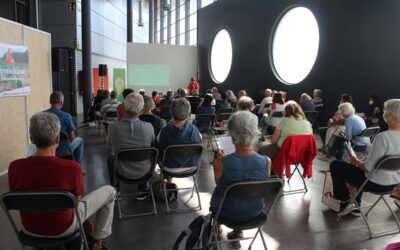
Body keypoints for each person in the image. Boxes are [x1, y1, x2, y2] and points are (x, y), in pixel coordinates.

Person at [9, 112, 116, 250]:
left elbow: (16, 199)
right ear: (57, 139)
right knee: (110, 191)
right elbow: (76, 202)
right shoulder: (72, 168)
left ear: (32, 139)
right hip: (64, 227)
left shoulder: (15, 167)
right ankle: (97, 242)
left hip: (29, 228)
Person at [329, 99, 400, 216]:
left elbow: (367, 167)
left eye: (385, 111)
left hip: (375, 183)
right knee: (357, 170)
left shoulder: (383, 138)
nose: (384, 113)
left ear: (390, 116)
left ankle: (344, 201)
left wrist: (355, 161)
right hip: (393, 184)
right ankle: (356, 205)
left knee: (336, 165)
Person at [210, 111, 271, 240]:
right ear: (255, 134)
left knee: (221, 192)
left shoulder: (220, 163)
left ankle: (216, 227)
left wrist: (220, 160)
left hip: (226, 213)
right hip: (254, 212)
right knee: (245, 192)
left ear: (232, 136)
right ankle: (238, 231)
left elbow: (220, 188)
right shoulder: (267, 161)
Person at [108, 93, 155, 200]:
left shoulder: (112, 127)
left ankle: (116, 191)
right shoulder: (149, 127)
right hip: (144, 171)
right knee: (151, 153)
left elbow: (110, 144)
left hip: (121, 171)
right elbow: (153, 144)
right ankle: (142, 189)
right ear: (141, 109)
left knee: (111, 157)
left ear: (124, 106)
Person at [158, 98, 202, 169]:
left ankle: (169, 179)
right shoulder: (195, 130)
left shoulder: (164, 131)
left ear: (171, 111)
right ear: (188, 112)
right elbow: (199, 147)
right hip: (191, 166)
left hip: (169, 167)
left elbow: (161, 151)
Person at [45, 91, 84, 165]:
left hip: (46, 150)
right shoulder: (66, 116)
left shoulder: (42, 115)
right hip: (62, 151)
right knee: (80, 140)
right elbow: (72, 139)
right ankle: (77, 166)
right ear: (61, 102)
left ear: (50, 101)